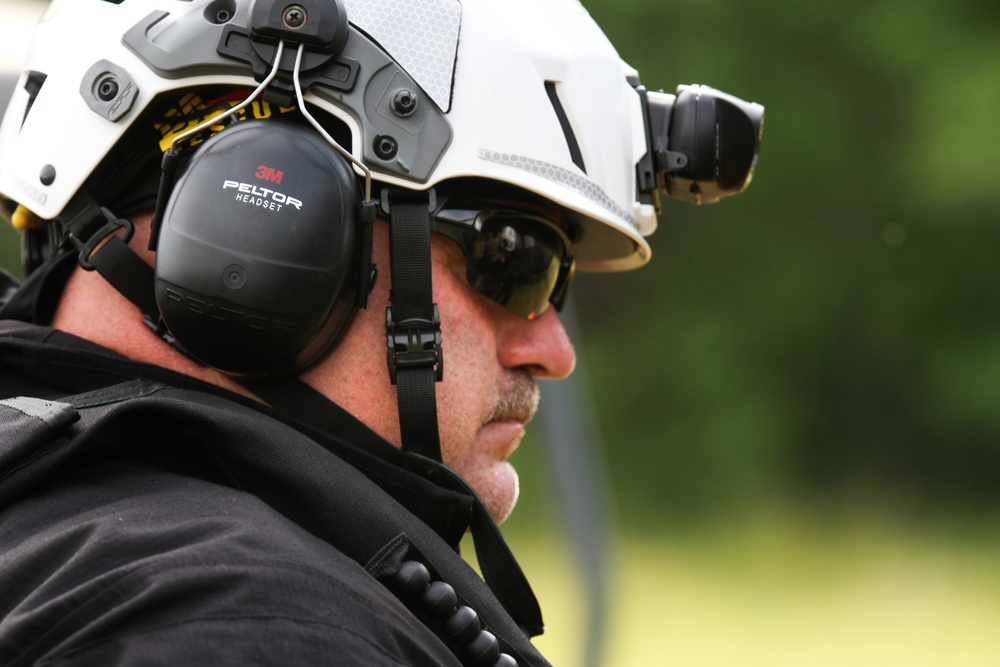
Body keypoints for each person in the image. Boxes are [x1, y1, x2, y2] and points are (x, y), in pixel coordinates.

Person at [0, 0, 763, 664]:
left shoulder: (58, 526)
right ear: (263, 226)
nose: (552, 351)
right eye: (516, 258)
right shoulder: (241, 623)